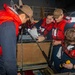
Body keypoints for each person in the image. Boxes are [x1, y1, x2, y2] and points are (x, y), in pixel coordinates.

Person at [0, 3, 33, 75]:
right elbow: (9, 59)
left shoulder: (7, 18)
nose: (26, 22)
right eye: (27, 20)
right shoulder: (9, 26)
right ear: (23, 16)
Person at [51, 8, 75, 73]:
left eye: (57, 17)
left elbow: (70, 38)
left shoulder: (67, 25)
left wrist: (59, 42)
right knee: (56, 60)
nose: (56, 19)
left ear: (62, 15)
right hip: (57, 44)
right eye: (55, 18)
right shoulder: (55, 22)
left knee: (60, 60)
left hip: (62, 45)